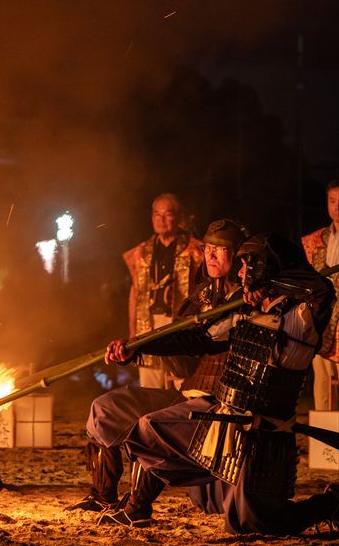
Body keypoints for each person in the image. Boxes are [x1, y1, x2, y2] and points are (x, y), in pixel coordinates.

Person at [101, 233, 339, 534]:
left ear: (263, 268)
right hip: (223, 418)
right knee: (151, 430)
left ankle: (330, 504)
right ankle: (138, 507)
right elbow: (196, 338)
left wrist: (272, 284)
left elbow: (322, 287)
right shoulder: (244, 311)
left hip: (264, 435)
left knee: (252, 524)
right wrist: (140, 347)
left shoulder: (305, 314)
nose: (239, 273)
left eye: (246, 266)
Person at [68, 219, 249, 513]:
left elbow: (198, 339)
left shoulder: (246, 302)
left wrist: (143, 344)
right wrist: (133, 351)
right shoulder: (202, 297)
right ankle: (103, 496)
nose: (211, 256)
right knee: (105, 409)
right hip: (187, 392)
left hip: (218, 403)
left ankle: (137, 508)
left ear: (238, 254)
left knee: (150, 425)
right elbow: (177, 345)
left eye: (221, 250)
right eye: (208, 249)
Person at [123, 193, 204, 388]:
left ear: (178, 217)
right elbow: (135, 293)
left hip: (179, 324)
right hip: (148, 323)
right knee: (150, 385)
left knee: (181, 381)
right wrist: (133, 331)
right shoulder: (140, 253)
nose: (161, 220)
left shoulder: (196, 251)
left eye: (167, 214)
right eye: (156, 215)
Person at [301, 180, 339, 410]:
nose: (337, 207)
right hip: (323, 325)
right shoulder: (314, 242)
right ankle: (324, 442)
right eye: (332, 201)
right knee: (323, 389)